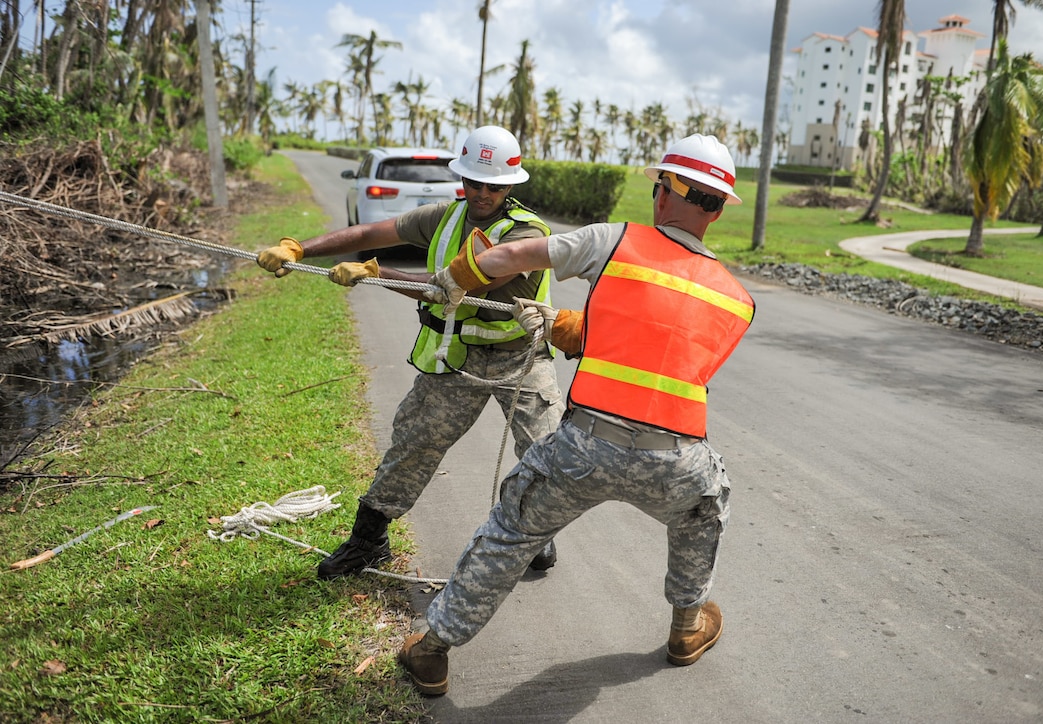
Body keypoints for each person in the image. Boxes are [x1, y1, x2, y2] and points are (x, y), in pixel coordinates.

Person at [396, 134, 756, 696]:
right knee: (703, 514)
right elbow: (668, 358)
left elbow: (510, 255)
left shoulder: (613, 241)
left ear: (665, 191)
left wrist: (450, 282)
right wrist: (581, 331)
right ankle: (688, 628)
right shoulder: (737, 299)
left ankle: (433, 649)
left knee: (511, 531)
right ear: (716, 209)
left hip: (585, 449)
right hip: (677, 459)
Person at [256, 126, 563, 578]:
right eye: (473, 182)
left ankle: (536, 533)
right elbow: (372, 230)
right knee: (413, 444)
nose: (481, 192)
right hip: (455, 358)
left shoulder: (525, 233)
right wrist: (299, 246)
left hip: (520, 360)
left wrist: (375, 273)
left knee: (544, 453)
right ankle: (368, 541)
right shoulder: (447, 216)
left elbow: (455, 287)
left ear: (511, 184)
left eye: (493, 185)